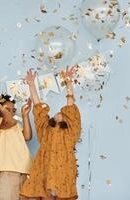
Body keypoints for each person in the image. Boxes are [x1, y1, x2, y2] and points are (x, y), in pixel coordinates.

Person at [21, 68, 81, 200]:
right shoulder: (45, 129)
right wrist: (31, 85)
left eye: (64, 114)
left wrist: (68, 82)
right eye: (57, 113)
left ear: (69, 119)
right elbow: (38, 107)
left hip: (64, 170)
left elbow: (71, 105)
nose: (60, 112)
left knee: (63, 195)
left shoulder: (71, 132)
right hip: (45, 169)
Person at [0, 93, 32, 200]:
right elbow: (9, 120)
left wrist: (25, 116)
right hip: (7, 170)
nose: (11, 112)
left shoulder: (16, 124)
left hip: (24, 170)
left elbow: (27, 136)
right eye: (7, 109)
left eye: (13, 110)